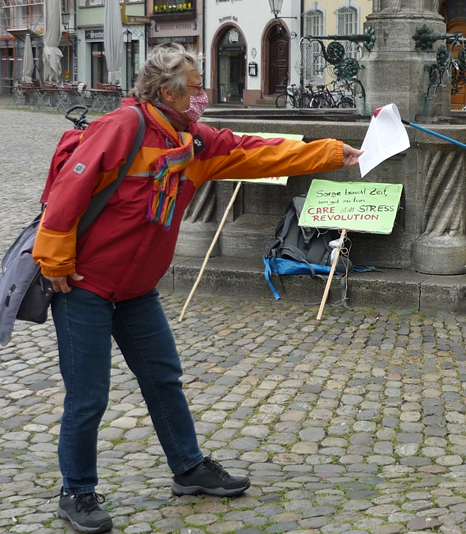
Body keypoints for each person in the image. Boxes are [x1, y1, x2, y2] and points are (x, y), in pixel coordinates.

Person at [33, 43, 363, 534]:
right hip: (85, 285)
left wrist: (335, 152)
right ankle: (77, 491)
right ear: (167, 90)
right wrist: (54, 258)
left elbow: (254, 151)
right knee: (88, 396)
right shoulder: (124, 127)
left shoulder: (193, 140)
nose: (203, 95)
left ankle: (188, 468)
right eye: (194, 85)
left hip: (137, 289)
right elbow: (69, 191)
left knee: (164, 378)